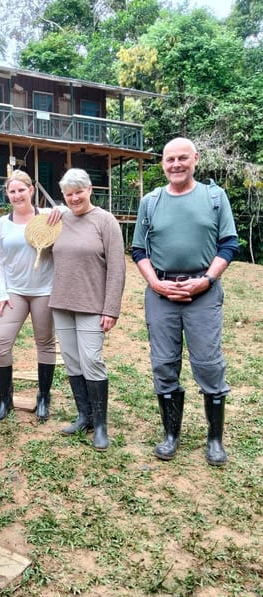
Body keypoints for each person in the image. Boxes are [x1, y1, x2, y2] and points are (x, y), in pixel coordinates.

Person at [131, 137, 239, 466]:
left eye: (182, 158)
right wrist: (156, 284)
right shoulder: (150, 202)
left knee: (208, 363)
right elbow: (138, 251)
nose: (176, 165)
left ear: (195, 159)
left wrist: (206, 279)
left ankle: (215, 440)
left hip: (203, 292)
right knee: (163, 363)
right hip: (161, 293)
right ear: (162, 164)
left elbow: (229, 244)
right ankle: (171, 434)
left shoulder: (215, 198)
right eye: (169, 160)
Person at [49, 168, 126, 451]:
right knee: (72, 360)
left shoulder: (105, 221)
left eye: (79, 192)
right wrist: (53, 211)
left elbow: (117, 268)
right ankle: (84, 416)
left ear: (90, 189)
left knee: (92, 359)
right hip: (61, 302)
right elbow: (37, 238)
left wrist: (111, 309)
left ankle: (101, 425)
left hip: (93, 304)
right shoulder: (59, 219)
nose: (74, 198)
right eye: (68, 194)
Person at [0, 170, 61, 423]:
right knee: (0, 341)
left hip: (44, 290)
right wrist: (1, 292)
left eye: (21, 189)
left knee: (45, 342)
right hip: (14, 293)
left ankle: (43, 397)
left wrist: (61, 211)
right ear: (7, 195)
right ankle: (5, 400)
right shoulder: (3, 223)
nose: (17, 195)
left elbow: (70, 214)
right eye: (12, 191)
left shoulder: (47, 217)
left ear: (31, 190)